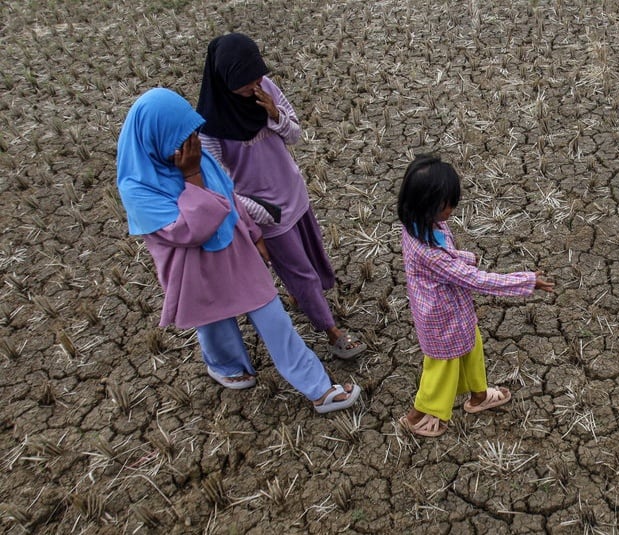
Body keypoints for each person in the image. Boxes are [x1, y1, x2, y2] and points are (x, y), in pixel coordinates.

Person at [116, 87, 360, 414]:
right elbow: (191, 230)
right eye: (182, 139)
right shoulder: (138, 186)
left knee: (275, 319)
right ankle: (226, 367)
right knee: (215, 324)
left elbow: (229, 196)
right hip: (195, 272)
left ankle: (318, 387)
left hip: (236, 252)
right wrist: (191, 177)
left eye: (193, 134)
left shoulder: (196, 156)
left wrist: (254, 233)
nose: (192, 145)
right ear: (156, 139)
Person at [195, 32, 365, 359]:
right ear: (224, 79)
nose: (254, 85)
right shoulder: (210, 128)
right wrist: (262, 213)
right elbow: (221, 186)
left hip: (294, 192)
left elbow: (296, 134)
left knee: (312, 259)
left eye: (257, 76)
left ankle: (308, 298)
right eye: (245, 82)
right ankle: (331, 332)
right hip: (267, 213)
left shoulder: (266, 89)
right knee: (298, 271)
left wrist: (274, 115)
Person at [396, 155, 555, 437]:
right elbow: (476, 280)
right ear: (427, 204)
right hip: (441, 322)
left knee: (472, 349)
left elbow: (452, 262)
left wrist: (464, 256)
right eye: (447, 203)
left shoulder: (420, 225)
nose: (452, 209)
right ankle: (414, 417)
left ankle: (479, 397)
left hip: (455, 313)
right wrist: (526, 280)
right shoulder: (429, 252)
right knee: (439, 372)